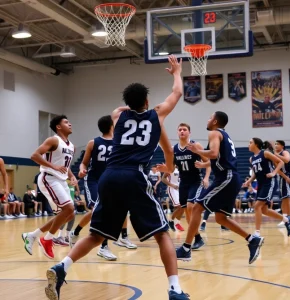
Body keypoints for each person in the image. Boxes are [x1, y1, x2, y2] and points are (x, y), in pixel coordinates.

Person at [46, 55, 189, 300]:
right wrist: (176, 72)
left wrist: (128, 105)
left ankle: (62, 267)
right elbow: (176, 93)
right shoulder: (156, 116)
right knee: (162, 233)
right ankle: (174, 289)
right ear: (147, 101)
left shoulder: (118, 118)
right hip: (134, 175)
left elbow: (121, 108)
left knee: (97, 234)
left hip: (109, 177)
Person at [176, 111, 264, 265]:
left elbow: (214, 153)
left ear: (215, 121)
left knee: (196, 208)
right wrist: (204, 164)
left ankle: (186, 248)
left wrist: (197, 151)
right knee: (220, 218)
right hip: (230, 177)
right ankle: (252, 240)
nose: (208, 120)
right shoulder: (225, 135)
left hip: (226, 177)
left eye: (210, 117)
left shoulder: (214, 133)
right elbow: (219, 158)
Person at [69, 115, 136, 262]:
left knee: (109, 211)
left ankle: (76, 232)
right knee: (98, 210)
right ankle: (103, 246)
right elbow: (84, 163)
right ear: (112, 126)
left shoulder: (120, 143)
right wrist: (81, 170)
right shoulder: (93, 142)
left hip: (111, 181)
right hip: (93, 180)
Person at [22, 115, 77, 259]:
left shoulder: (71, 146)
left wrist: (71, 175)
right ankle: (47, 240)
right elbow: (34, 155)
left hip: (62, 180)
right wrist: (53, 166)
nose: (70, 123)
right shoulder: (53, 140)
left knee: (69, 214)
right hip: (49, 178)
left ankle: (32, 235)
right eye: (66, 122)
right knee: (68, 209)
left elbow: (65, 165)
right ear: (58, 127)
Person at [244, 138, 290, 237]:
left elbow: (281, 162)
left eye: (250, 143)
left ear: (256, 144)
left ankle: (257, 233)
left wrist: (273, 173)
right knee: (264, 210)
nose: (248, 145)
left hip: (269, 182)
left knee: (257, 206)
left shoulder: (265, 153)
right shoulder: (251, 158)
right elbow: (256, 173)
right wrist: (249, 180)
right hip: (261, 184)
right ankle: (286, 220)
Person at [173, 123, 210, 249]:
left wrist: (206, 177)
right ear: (177, 132)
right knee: (186, 211)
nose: (182, 131)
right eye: (180, 130)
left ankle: (194, 240)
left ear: (189, 132)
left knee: (190, 206)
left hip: (196, 181)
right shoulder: (174, 149)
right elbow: (171, 168)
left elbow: (209, 162)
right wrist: (165, 169)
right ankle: (197, 238)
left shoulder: (195, 145)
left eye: (184, 130)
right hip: (183, 182)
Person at [274, 140, 290, 227]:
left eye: (277, 144)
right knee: (284, 198)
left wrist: (276, 155)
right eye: (275, 144)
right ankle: (285, 217)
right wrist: (285, 177)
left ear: (282, 146)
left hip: (288, 175)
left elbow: (286, 160)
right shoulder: (275, 156)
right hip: (283, 177)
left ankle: (289, 218)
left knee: (287, 198)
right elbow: (277, 169)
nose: (275, 145)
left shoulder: (285, 152)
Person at [162, 166, 185, 232]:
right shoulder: (170, 168)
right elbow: (163, 179)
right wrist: (172, 185)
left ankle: (177, 223)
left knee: (183, 207)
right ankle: (171, 221)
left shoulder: (180, 168)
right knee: (179, 206)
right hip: (172, 189)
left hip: (180, 189)